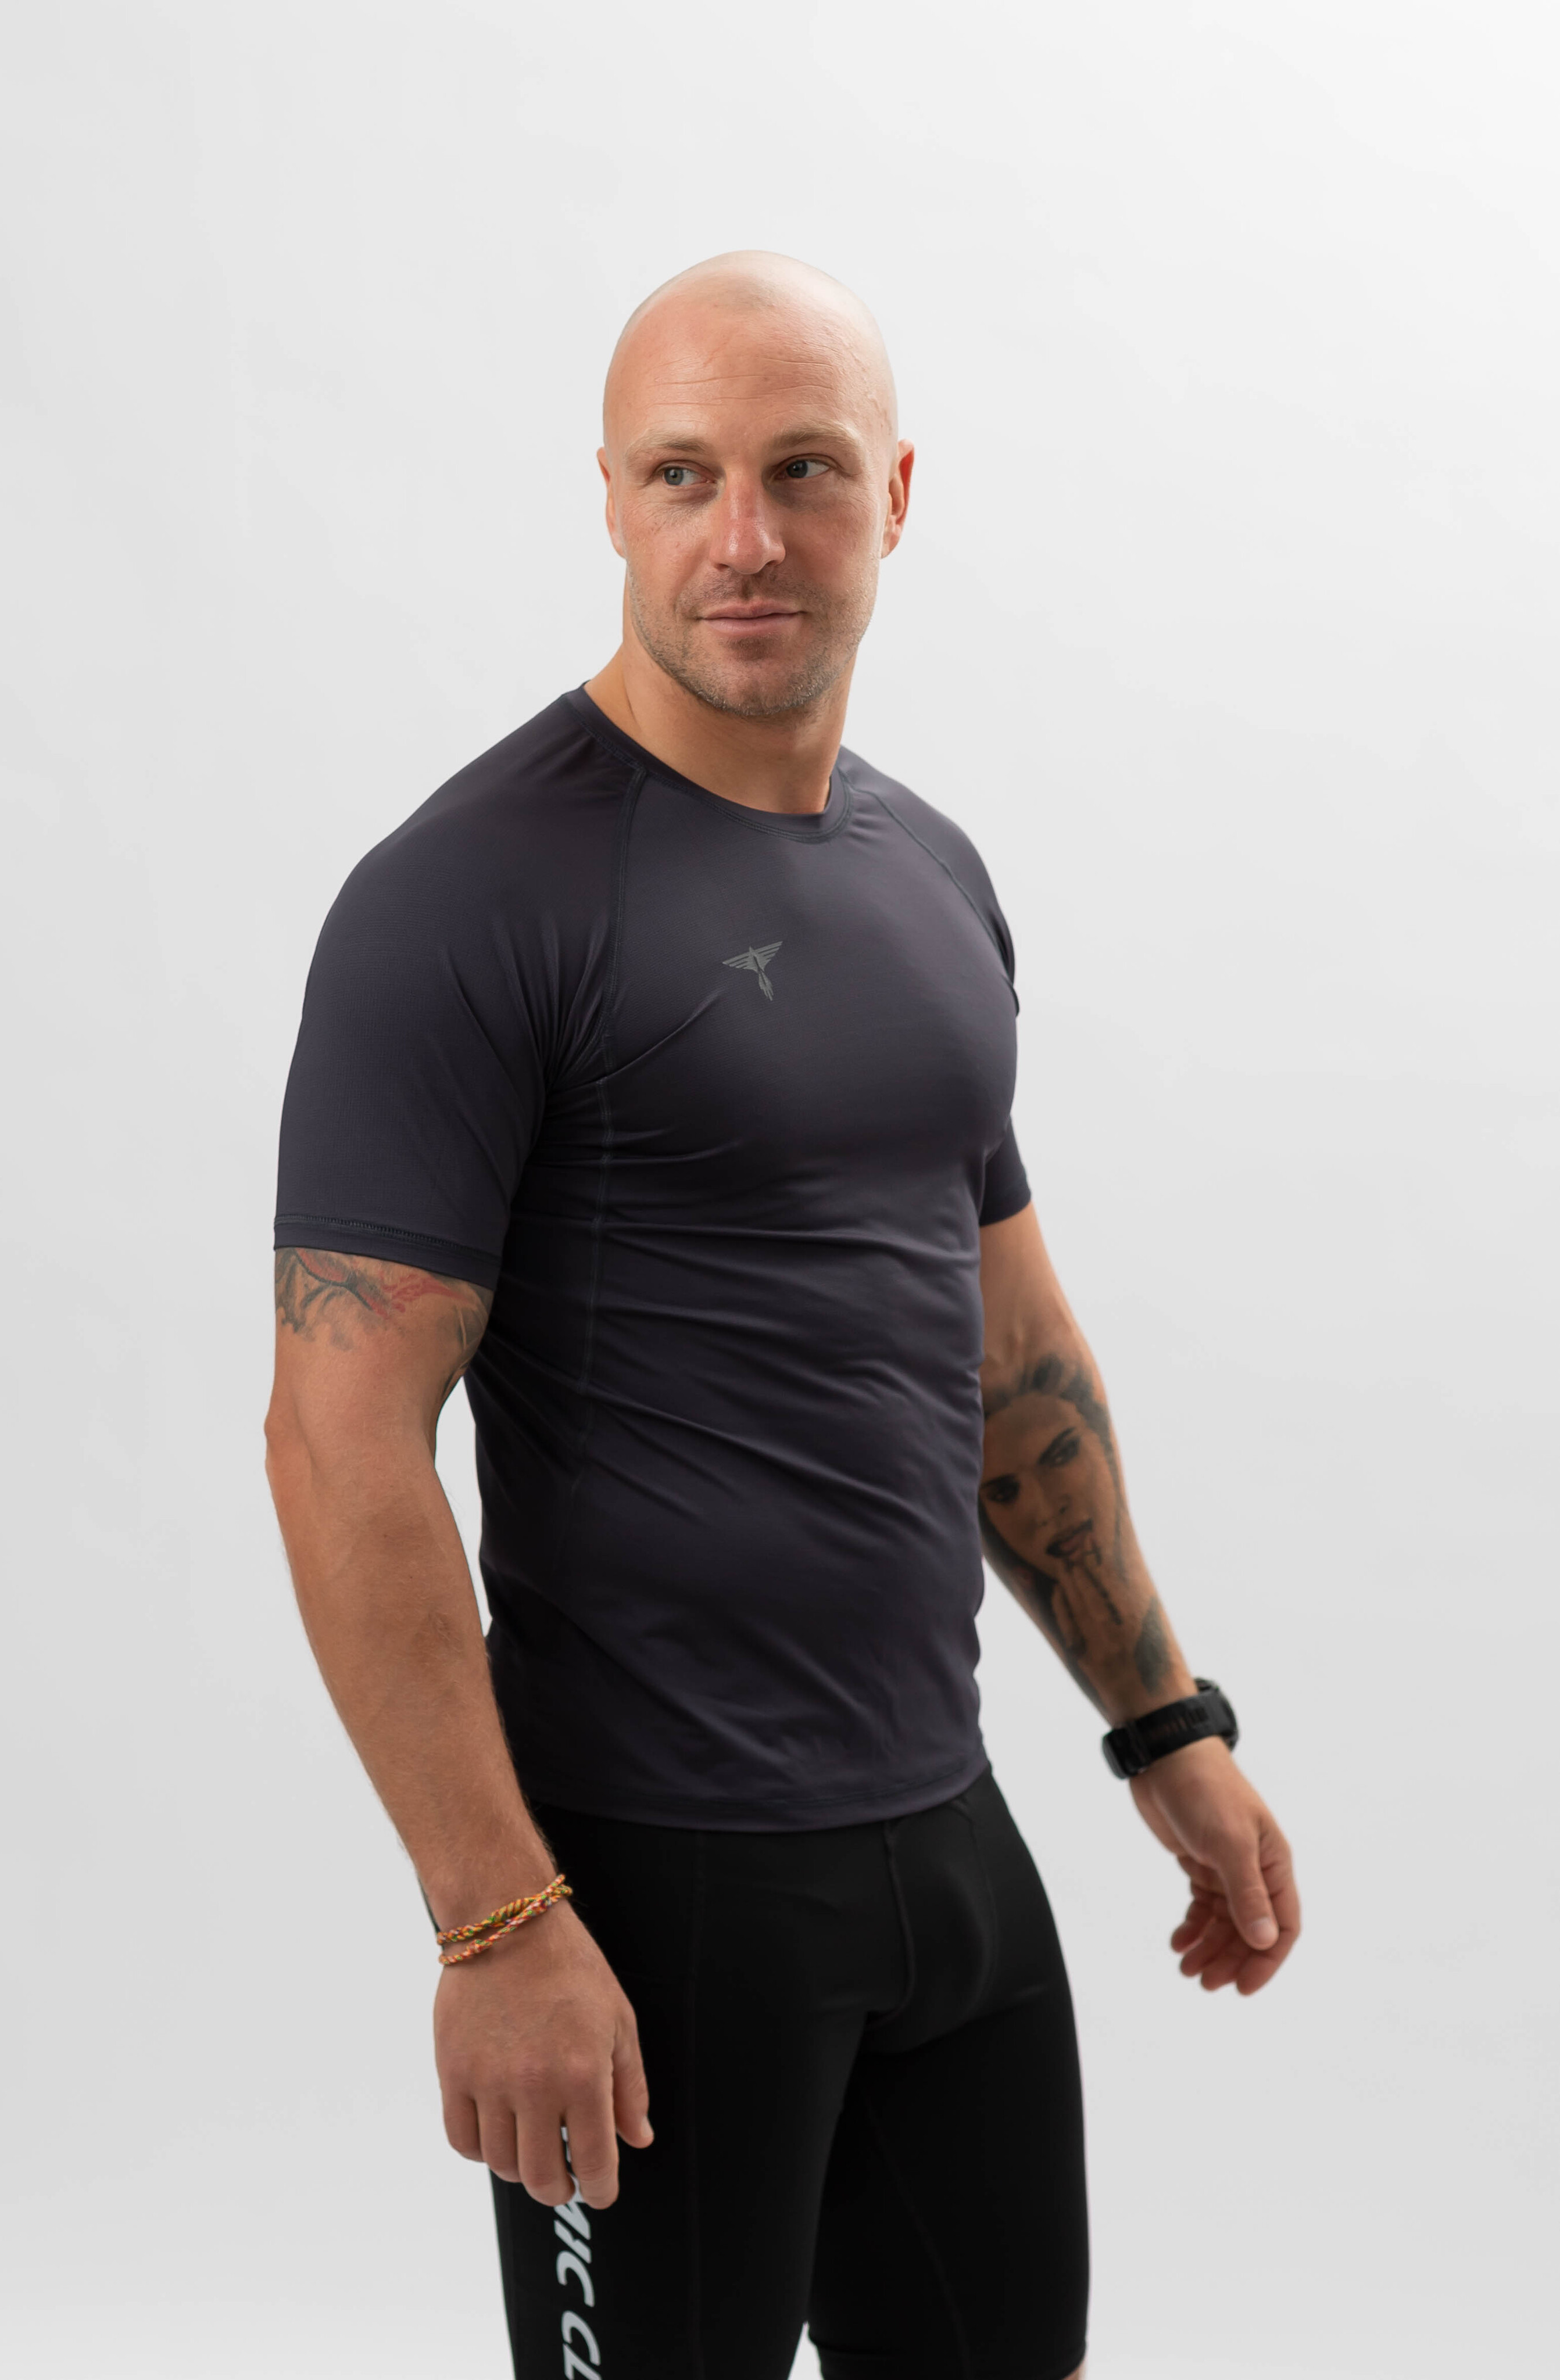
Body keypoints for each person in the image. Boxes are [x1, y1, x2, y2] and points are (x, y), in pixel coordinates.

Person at [264, 252, 1299, 2380]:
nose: (744, 536)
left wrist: (1165, 1725)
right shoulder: (468, 900)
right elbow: (337, 1436)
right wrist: (496, 1918)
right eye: (685, 475)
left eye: (803, 471)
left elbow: (1007, 1349)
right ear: (611, 497)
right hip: (651, 1894)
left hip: (945, 1845)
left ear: (895, 493)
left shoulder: (930, 873)